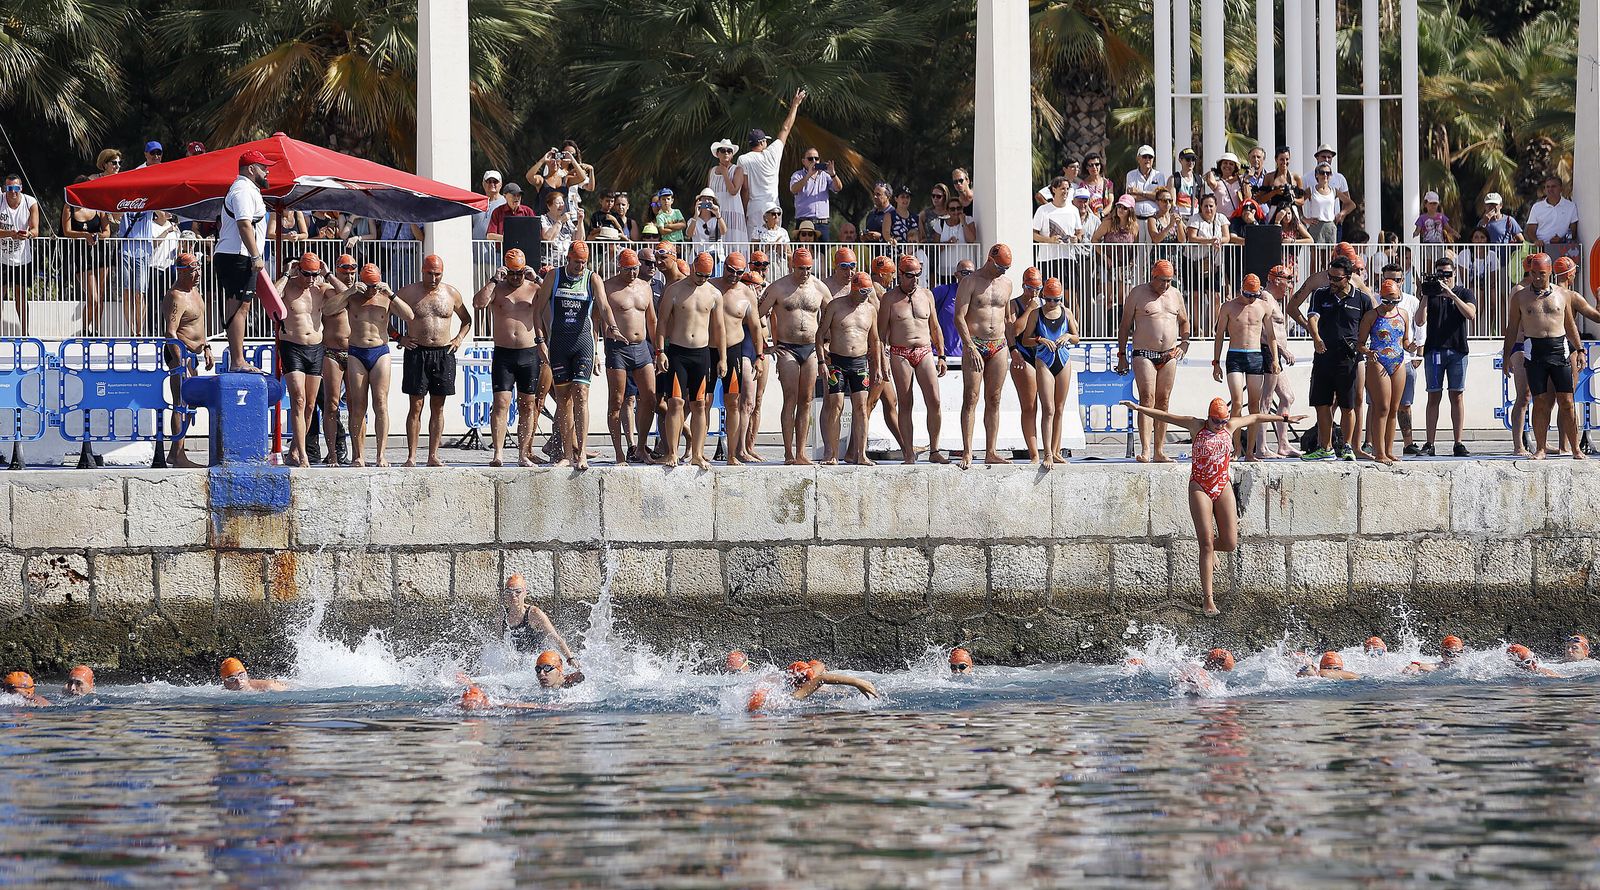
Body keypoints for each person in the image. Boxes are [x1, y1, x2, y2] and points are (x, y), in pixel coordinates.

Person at [1120, 397, 1302, 615]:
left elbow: (1254, 417)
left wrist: (1284, 418)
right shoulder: (1196, 425)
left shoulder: (1230, 425)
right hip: (1200, 485)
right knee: (1205, 542)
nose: (1220, 426)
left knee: (1230, 542)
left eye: (1224, 421)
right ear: (1208, 417)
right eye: (1216, 421)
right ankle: (1208, 599)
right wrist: (1138, 408)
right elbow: (1165, 416)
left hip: (1222, 484)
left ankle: (1211, 549)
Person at [534, 241, 614, 470]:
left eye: (584, 262)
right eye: (577, 261)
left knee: (582, 394)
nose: (580, 266)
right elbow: (537, 311)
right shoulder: (554, 277)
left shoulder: (592, 278)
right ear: (568, 258)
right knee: (563, 400)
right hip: (559, 344)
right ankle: (567, 454)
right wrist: (540, 340)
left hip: (583, 343)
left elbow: (604, 307)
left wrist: (614, 328)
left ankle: (582, 454)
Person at [1502, 253, 1585, 460]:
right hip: (1535, 349)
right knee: (1539, 402)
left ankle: (1575, 448)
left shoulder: (1562, 294)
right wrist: (1506, 357)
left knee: (1567, 401)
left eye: (1542, 273)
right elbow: (1512, 328)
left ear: (1550, 272)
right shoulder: (1520, 297)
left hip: (1559, 348)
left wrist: (1580, 349)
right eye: (1534, 273)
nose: (1538, 277)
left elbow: (1569, 325)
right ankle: (1540, 448)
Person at [1295, 256, 1371, 460]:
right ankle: (1325, 447)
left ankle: (1347, 446)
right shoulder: (1321, 295)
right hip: (1323, 357)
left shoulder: (1361, 299)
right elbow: (1312, 316)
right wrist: (1316, 337)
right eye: (1330, 277)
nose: (1332, 282)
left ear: (1348, 277)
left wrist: (1366, 348)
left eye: (1337, 279)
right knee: (1322, 403)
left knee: (1348, 405)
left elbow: (1369, 324)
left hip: (1348, 359)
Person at [654, 252, 726, 468]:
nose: (702, 279)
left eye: (707, 275)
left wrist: (722, 358)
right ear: (693, 267)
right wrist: (660, 352)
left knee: (699, 405)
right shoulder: (674, 290)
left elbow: (719, 328)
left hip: (701, 354)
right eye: (700, 274)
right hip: (678, 352)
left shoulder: (714, 294)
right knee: (675, 402)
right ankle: (672, 453)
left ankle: (697, 453)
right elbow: (662, 321)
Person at [474, 249, 545, 467]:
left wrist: (539, 279)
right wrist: (494, 280)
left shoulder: (534, 288)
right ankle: (498, 453)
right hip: (504, 354)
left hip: (528, 353)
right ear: (505, 270)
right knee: (501, 403)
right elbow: (479, 303)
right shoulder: (498, 288)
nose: (516, 277)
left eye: (520, 273)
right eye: (512, 273)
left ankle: (523, 454)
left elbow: (554, 298)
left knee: (527, 404)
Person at [1115, 260, 1192, 463]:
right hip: (1143, 353)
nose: (1165, 285)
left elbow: (1184, 321)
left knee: (1164, 401)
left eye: (1169, 281)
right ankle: (1146, 449)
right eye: (1162, 281)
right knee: (1147, 398)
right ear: (1153, 276)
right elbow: (1124, 326)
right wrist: (1121, 355)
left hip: (1169, 353)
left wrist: (1185, 343)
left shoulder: (1175, 295)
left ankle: (1159, 450)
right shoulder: (1138, 293)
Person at [758, 248, 827, 465]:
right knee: (790, 399)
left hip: (811, 349)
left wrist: (826, 342)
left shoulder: (818, 287)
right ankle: (788, 452)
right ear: (792, 266)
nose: (805, 273)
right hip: (787, 348)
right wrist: (764, 346)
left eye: (808, 268)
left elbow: (834, 313)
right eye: (801, 268)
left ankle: (801, 453)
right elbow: (755, 316)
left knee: (806, 400)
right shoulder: (778, 287)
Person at [878, 253, 949, 464]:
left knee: (934, 400)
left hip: (925, 350)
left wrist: (941, 355)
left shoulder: (926, 295)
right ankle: (908, 452)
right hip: (900, 352)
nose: (914, 279)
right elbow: (882, 335)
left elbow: (935, 327)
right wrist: (883, 361)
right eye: (910, 275)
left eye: (917, 275)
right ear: (900, 275)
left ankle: (934, 450)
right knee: (906, 402)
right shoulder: (889, 299)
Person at [343, 263, 413, 467]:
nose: (371, 290)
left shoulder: (385, 297)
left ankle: (381, 455)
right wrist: (349, 291)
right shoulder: (353, 298)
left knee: (381, 403)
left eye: (374, 286)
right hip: (356, 351)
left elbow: (409, 316)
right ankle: (359, 455)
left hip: (380, 352)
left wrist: (391, 294)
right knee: (358, 406)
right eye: (368, 286)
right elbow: (329, 310)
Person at [955, 244, 1017, 468]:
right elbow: (959, 317)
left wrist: (1014, 348)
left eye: (1007, 268)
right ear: (990, 260)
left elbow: (1007, 318)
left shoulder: (1007, 284)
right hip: (976, 343)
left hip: (998, 345)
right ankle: (968, 451)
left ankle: (991, 451)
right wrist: (969, 345)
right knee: (971, 397)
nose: (1003, 271)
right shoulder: (970, 281)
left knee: (995, 398)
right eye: (1001, 266)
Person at [214, 149, 275, 372]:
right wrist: (255, 255)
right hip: (237, 255)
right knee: (241, 307)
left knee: (238, 306)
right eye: (263, 167)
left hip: (235, 255)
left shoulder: (247, 189)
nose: (267, 171)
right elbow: (243, 224)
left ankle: (236, 360)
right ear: (251, 169)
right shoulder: (242, 190)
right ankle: (238, 361)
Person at [272, 253, 335, 467]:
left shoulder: (320, 287)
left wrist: (327, 274)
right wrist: (285, 274)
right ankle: (304, 455)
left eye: (314, 274)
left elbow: (347, 295)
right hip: (292, 346)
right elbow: (272, 295)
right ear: (298, 269)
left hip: (316, 348)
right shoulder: (288, 286)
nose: (310, 279)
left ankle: (295, 450)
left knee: (309, 405)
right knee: (298, 399)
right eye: (306, 274)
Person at [1212, 274, 1281, 461]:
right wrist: (1216, 362)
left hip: (1255, 355)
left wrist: (1275, 359)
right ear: (1240, 290)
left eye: (1254, 295)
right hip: (1235, 354)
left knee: (1254, 405)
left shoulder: (1263, 306)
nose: (1250, 299)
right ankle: (1237, 449)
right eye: (1247, 295)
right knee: (1236, 402)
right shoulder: (1228, 307)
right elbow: (1219, 336)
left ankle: (1250, 451)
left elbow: (1272, 336)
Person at [1414, 255, 1477, 457]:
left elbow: (1471, 314)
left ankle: (1458, 442)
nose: (1444, 278)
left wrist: (1452, 295)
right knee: (1433, 395)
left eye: (1447, 274)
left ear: (1454, 274)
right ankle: (1430, 443)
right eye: (1440, 274)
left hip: (1457, 350)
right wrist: (1425, 294)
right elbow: (1419, 321)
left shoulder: (1464, 292)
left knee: (1456, 395)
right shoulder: (1431, 295)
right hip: (1434, 350)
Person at [817, 271, 882, 465]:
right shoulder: (835, 306)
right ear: (854, 288)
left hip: (860, 363)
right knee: (835, 405)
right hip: (837, 362)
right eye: (862, 291)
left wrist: (877, 366)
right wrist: (822, 362)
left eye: (868, 291)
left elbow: (875, 339)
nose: (865, 295)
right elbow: (820, 335)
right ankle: (832, 454)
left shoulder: (870, 309)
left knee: (862, 408)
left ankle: (861, 454)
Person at [602, 249, 659, 465]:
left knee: (650, 398)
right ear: (620, 267)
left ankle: (641, 447)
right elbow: (596, 320)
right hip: (617, 348)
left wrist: (659, 350)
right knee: (617, 401)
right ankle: (619, 453)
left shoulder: (644, 287)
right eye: (628, 269)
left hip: (642, 347)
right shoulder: (608, 287)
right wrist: (598, 351)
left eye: (635, 268)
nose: (633, 273)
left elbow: (652, 320)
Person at [158, 252, 214, 467]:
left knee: (190, 403)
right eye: (192, 271)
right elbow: (171, 332)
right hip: (178, 354)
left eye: (198, 269)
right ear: (181, 273)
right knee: (180, 403)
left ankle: (175, 452)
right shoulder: (176, 296)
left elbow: (200, 323)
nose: (198, 274)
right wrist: (181, 362)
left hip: (194, 355)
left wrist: (207, 346)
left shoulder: (195, 291)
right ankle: (179, 455)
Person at [1022, 277, 1080, 468]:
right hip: (1044, 360)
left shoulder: (1067, 313)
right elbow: (1025, 340)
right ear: (1043, 297)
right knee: (1048, 409)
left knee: (1060, 408)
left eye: (1056, 300)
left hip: (1063, 360)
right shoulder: (1035, 314)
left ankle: (1056, 451)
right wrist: (1040, 339)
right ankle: (1046, 452)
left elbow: (1077, 338)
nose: (1052, 303)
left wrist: (1068, 336)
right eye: (1049, 300)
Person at [1356, 279, 1413, 464]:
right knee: (1381, 408)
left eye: (1395, 301)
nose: (1391, 305)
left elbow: (1404, 340)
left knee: (1394, 409)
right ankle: (1379, 451)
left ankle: (1388, 450)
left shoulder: (1403, 314)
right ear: (1381, 298)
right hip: (1378, 361)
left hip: (1398, 360)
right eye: (1387, 301)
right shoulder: (1372, 316)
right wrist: (1368, 352)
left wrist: (1410, 346)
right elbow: (1360, 343)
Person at [713, 252, 762, 464]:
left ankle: (734, 453)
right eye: (730, 270)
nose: (734, 276)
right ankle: (692, 451)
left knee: (735, 402)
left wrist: (760, 356)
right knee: (699, 402)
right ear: (724, 266)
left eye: (739, 273)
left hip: (734, 350)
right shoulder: (710, 286)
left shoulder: (746, 294)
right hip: (708, 349)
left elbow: (756, 327)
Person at [737, 88, 804, 218]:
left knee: (754, 238)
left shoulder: (743, 159)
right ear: (762, 142)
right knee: (775, 238)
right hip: (773, 206)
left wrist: (744, 211)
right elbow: (786, 128)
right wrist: (795, 105)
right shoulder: (773, 152)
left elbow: (745, 190)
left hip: (754, 207)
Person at [318, 255, 358, 466]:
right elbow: (328, 309)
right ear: (336, 271)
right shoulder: (326, 289)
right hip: (331, 352)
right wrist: (328, 276)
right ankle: (332, 454)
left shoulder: (358, 292)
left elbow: (349, 295)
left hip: (353, 352)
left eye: (352, 272)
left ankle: (356, 455)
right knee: (331, 405)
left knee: (355, 405)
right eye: (345, 272)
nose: (350, 277)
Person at [64, 176, 113, 335]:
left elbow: (107, 232)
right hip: (82, 257)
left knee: (101, 297)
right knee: (94, 298)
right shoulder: (69, 207)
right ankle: (86, 329)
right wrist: (84, 235)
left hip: (100, 255)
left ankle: (97, 330)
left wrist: (97, 236)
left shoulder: (99, 207)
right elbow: (67, 232)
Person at [1260, 264, 1299, 457]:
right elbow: (1263, 330)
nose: (1290, 285)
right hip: (1269, 353)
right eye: (1288, 281)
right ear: (1277, 280)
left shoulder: (1273, 299)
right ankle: (1261, 447)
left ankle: (1283, 444)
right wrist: (1282, 350)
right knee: (1266, 400)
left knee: (1287, 397)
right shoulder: (1265, 298)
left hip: (1276, 355)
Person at [500, 573, 579, 665]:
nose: (513, 596)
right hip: (517, 662)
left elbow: (555, 637)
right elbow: (498, 644)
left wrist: (570, 658)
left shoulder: (534, 614)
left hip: (538, 660)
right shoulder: (502, 616)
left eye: (518, 592)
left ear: (525, 593)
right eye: (509, 592)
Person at [0, 174, 39, 334]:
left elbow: (35, 230)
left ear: (21, 188)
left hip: (23, 258)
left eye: (16, 188)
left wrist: (27, 234)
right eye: (9, 188)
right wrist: (10, 233)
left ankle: (24, 332)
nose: (13, 192)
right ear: (5, 189)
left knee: (21, 296)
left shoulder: (30, 202)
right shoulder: (0, 201)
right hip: (2, 257)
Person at [1525, 176, 1580, 262]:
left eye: (1553, 186)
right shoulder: (1537, 207)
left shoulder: (1570, 206)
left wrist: (1562, 239)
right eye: (1547, 187)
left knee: (1562, 275)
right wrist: (1536, 240)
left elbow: (1573, 232)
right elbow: (1530, 230)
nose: (1550, 189)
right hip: (1541, 250)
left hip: (1563, 249)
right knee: (1542, 275)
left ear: (1561, 189)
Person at [790, 147, 839, 241]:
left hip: (822, 223)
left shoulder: (825, 175)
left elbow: (838, 188)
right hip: (803, 223)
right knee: (802, 254)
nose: (814, 161)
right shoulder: (798, 175)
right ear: (803, 161)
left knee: (823, 254)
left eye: (816, 158)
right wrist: (808, 175)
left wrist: (833, 174)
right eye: (810, 158)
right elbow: (794, 189)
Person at [1302, 164, 1352, 244]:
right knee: (1315, 255)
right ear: (1317, 175)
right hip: (1316, 225)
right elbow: (1298, 203)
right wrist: (1304, 218)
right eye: (1322, 172)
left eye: (1328, 173)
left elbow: (1350, 204)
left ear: (1331, 175)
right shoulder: (1311, 190)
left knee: (1329, 255)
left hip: (1330, 225)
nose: (1325, 175)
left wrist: (1341, 214)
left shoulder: (1334, 191)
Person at [1124, 145, 1167, 219]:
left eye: (1150, 157)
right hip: (1136, 219)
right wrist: (1153, 196)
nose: (1147, 159)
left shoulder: (1159, 175)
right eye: (1144, 156)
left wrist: (1140, 192)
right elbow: (1130, 197)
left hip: (1154, 218)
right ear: (1138, 158)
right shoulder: (1131, 175)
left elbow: (1161, 197)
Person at [688, 188, 727, 261]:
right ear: (699, 201)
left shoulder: (717, 219)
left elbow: (723, 231)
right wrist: (696, 215)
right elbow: (689, 234)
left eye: (709, 199)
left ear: (713, 202)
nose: (706, 201)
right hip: (697, 258)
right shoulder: (692, 220)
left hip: (716, 258)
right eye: (704, 199)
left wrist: (718, 214)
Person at [219, 657, 289, 692]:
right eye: (232, 679)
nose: (239, 682)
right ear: (225, 682)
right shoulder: (222, 692)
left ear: (246, 674)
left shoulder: (268, 686)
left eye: (242, 676)